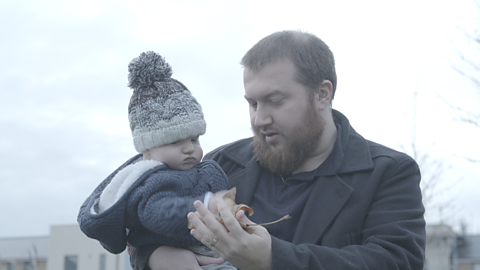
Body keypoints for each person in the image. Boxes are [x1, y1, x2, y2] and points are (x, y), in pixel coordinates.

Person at [130, 30, 426, 270]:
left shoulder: (388, 172)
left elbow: (397, 262)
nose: (259, 119)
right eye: (253, 104)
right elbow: (145, 219)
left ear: (322, 94)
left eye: (275, 101)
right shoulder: (218, 163)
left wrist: (273, 260)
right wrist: (157, 255)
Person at [77, 51, 235, 270]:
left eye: (194, 139)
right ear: (147, 149)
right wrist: (207, 204)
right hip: (186, 253)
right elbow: (158, 213)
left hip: (217, 249)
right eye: (175, 142)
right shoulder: (152, 180)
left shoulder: (205, 169)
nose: (189, 148)